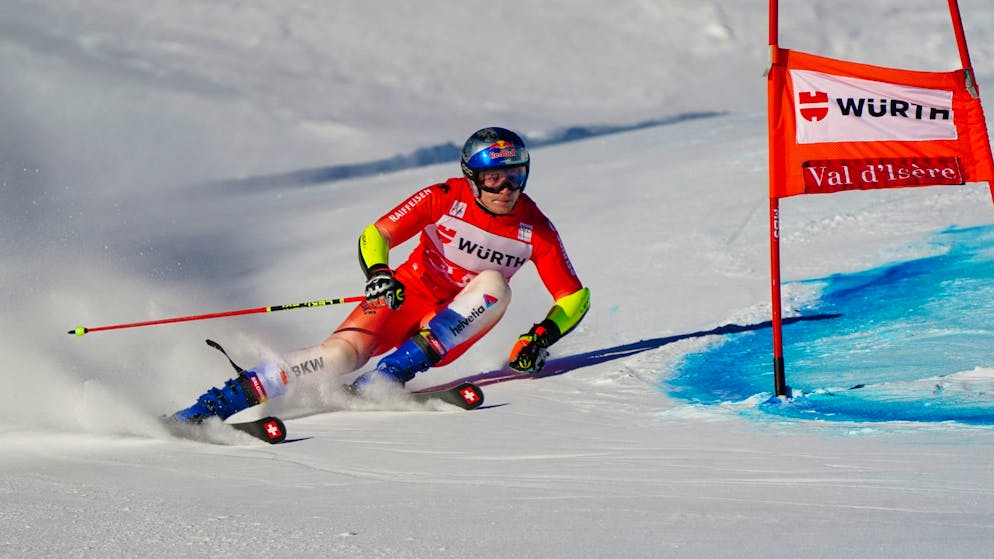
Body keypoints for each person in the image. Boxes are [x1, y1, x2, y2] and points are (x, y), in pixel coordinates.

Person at [172, 126, 590, 422]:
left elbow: (574, 297)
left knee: (494, 284)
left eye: (514, 177)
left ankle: (389, 375)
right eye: (494, 179)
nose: (506, 190)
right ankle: (213, 407)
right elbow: (378, 233)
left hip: (454, 323)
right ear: (472, 177)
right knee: (338, 356)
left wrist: (540, 338)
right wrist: (378, 273)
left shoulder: (535, 229)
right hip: (405, 296)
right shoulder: (442, 197)